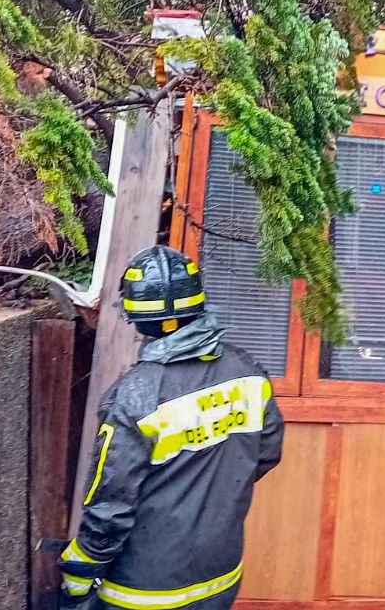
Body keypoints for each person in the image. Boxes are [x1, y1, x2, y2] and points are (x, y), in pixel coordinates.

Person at [59, 245, 284, 610]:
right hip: (220, 576)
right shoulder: (247, 371)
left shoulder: (134, 397)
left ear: (137, 318)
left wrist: (80, 571)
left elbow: (110, 503)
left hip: (144, 590)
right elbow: (266, 455)